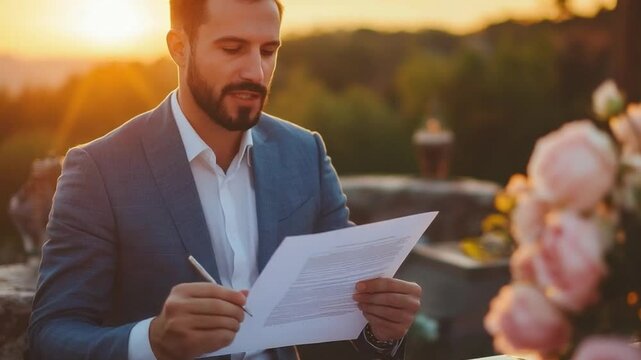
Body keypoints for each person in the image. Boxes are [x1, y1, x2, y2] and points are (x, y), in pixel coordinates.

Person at [27, 1, 422, 359]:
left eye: (269, 51)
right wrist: (151, 341)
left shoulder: (305, 153)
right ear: (179, 47)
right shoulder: (98, 169)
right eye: (232, 49)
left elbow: (345, 308)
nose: (256, 71)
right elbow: (50, 335)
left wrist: (381, 329)